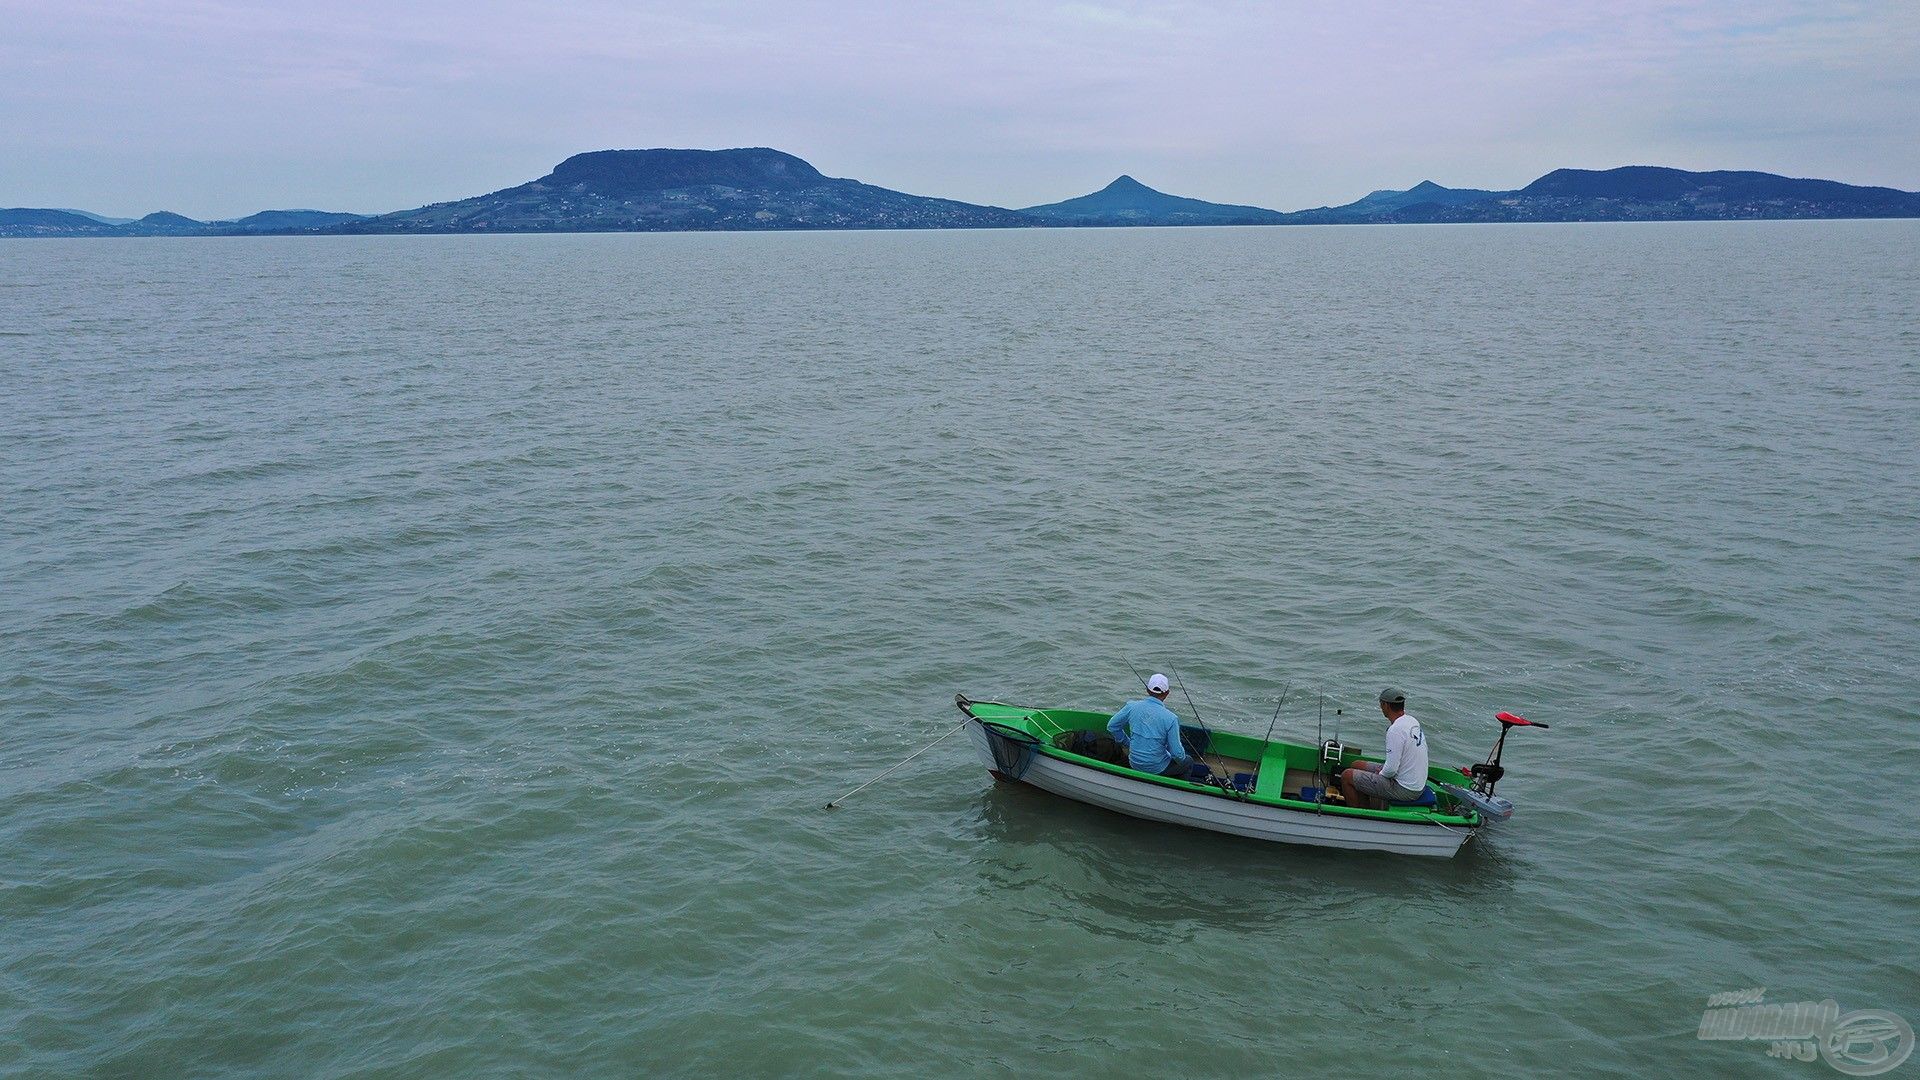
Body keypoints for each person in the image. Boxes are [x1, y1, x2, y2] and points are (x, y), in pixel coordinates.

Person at [1338, 688, 1430, 809]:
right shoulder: (1411, 720)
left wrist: (1380, 774)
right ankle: (1365, 807)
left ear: (1386, 705)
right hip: (1415, 783)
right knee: (1356, 764)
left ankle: (1356, 816)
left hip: (1406, 790)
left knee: (1347, 776)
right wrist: (1381, 773)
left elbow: (1391, 770)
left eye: (1381, 704)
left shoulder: (1395, 730)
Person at [1107, 673, 1200, 778]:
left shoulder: (1131, 706)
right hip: (1157, 768)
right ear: (1167, 693)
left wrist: (1127, 743)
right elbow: (1177, 754)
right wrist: (1180, 759)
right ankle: (1178, 787)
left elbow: (1112, 726)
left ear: (1147, 690)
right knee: (1188, 761)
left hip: (1134, 763)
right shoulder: (1171, 718)